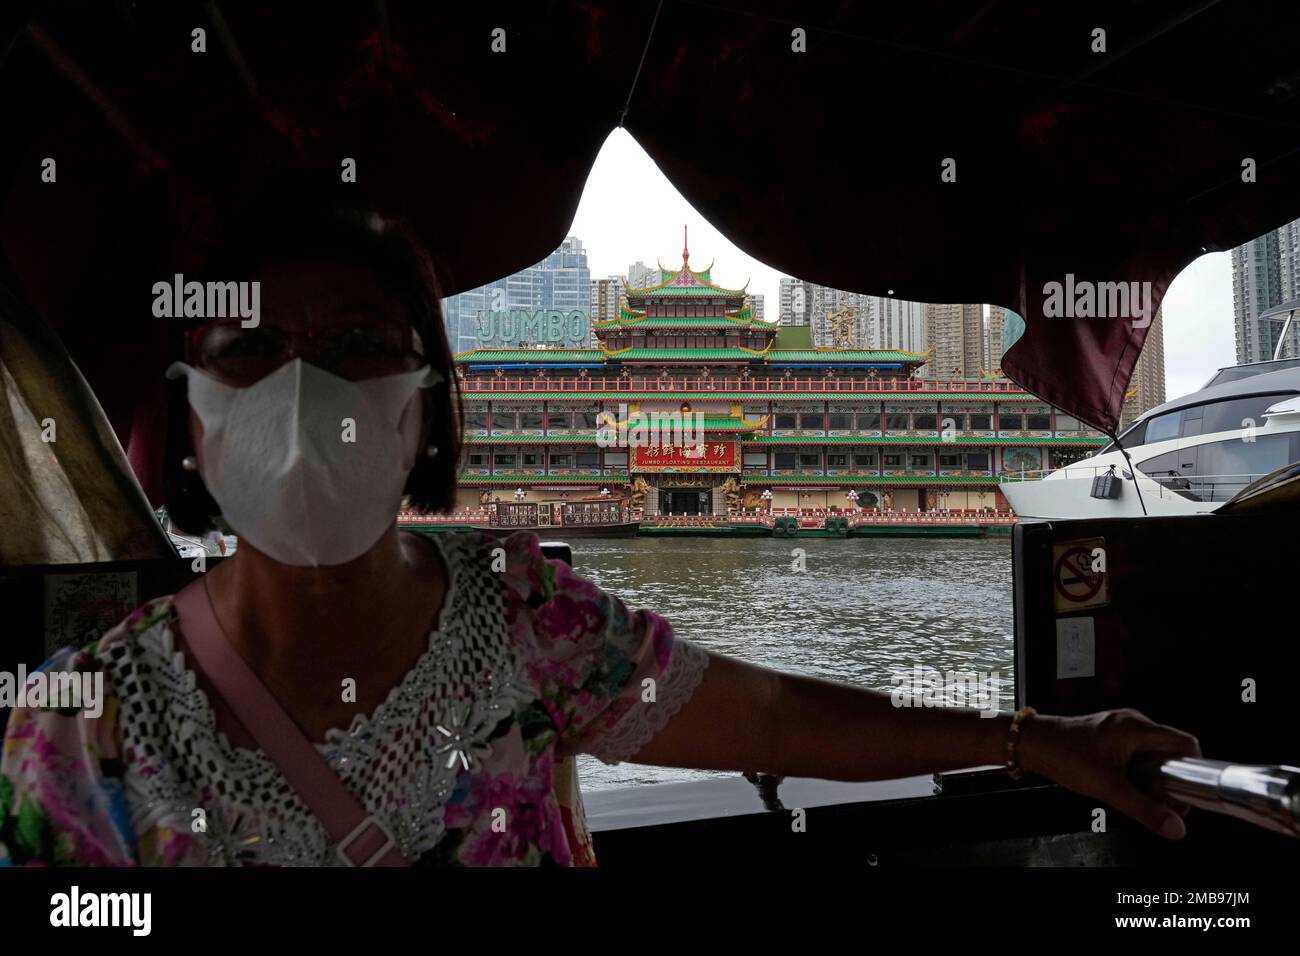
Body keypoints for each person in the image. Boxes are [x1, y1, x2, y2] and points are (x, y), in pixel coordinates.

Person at [0, 187, 1198, 867]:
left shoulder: (527, 613)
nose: (303, 394)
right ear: (190, 408)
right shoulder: (86, 719)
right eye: (252, 348)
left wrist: (1035, 739)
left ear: (427, 411)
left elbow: (774, 714)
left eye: (358, 343)